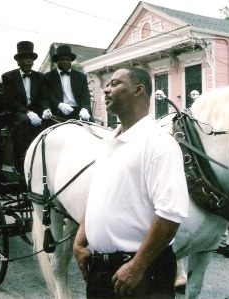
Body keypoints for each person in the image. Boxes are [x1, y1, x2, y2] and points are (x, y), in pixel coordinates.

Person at [73, 67, 189, 298]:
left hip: (142, 273)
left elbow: (170, 214)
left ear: (138, 90)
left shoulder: (158, 145)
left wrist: (138, 265)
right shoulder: (109, 142)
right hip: (101, 272)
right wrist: (79, 242)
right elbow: (99, 197)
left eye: (115, 84)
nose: (106, 89)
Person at [1, 41, 51, 175]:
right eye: (25, 58)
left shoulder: (40, 77)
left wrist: (46, 109)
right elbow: (10, 100)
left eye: (31, 59)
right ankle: (20, 165)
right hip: (16, 113)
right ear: (19, 62)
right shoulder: (8, 77)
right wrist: (28, 112)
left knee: (51, 124)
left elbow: (44, 98)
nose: (29, 61)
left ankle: (44, 162)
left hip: (35, 113)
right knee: (24, 122)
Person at [44, 45, 94, 122]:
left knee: (92, 125)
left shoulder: (81, 77)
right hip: (58, 112)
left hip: (78, 112)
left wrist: (85, 109)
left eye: (68, 59)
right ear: (57, 61)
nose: (65, 62)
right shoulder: (48, 77)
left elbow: (85, 97)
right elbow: (48, 95)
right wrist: (59, 104)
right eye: (62, 59)